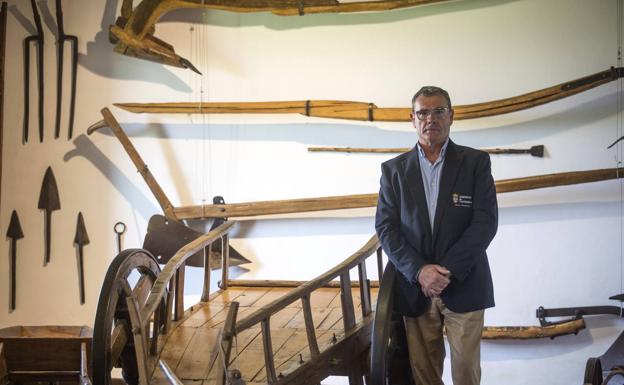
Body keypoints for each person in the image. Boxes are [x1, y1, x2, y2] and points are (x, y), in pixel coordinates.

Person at [375, 86, 498, 385]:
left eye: (439, 111)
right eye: (423, 113)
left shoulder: (475, 163)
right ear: (413, 119)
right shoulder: (394, 170)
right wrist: (419, 271)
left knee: (466, 372)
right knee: (424, 373)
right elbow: (386, 227)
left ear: (451, 116)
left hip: (465, 282)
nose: (431, 119)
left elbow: (485, 222)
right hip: (416, 289)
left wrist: (446, 271)